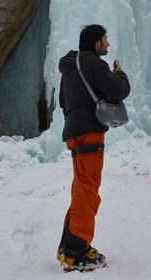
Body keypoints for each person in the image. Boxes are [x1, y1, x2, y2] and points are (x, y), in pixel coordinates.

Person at [57, 24, 130, 272]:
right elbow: (119, 90)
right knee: (88, 190)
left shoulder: (69, 67)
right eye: (105, 40)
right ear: (96, 43)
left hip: (74, 133)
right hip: (89, 134)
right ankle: (77, 252)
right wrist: (120, 74)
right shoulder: (94, 64)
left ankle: (68, 246)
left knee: (80, 187)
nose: (108, 44)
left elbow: (62, 102)